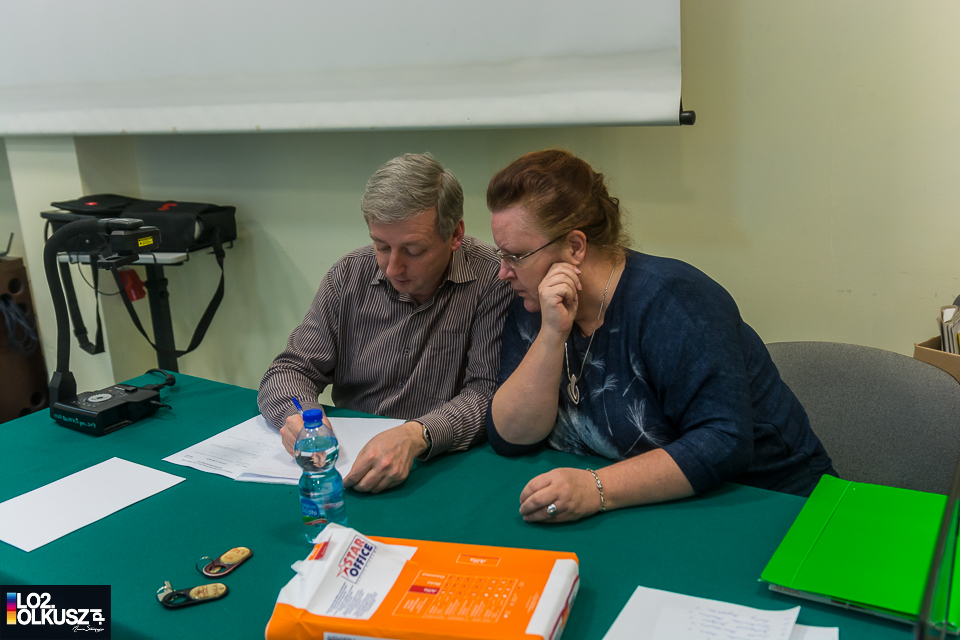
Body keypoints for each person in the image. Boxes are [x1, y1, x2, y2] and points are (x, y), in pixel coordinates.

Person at [486, 149, 835, 523]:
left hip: (767, 504)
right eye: (501, 254)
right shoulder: (536, 302)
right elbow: (512, 436)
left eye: (516, 256)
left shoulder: (675, 301)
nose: (504, 272)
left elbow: (723, 441)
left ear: (575, 247)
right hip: (647, 506)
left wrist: (595, 488)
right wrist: (552, 335)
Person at [259, 153, 513, 493]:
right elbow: (291, 370)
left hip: (441, 469)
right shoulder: (349, 275)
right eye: (381, 246)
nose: (393, 268)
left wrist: (417, 434)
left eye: (413, 250)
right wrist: (303, 419)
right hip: (350, 462)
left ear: (454, 234)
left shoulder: (495, 280)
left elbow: (487, 394)